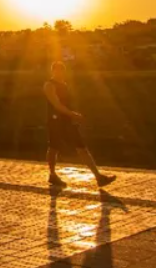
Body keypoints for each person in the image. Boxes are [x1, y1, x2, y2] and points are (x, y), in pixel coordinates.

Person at [45, 60, 115, 188]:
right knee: (54, 148)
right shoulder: (49, 85)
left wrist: (72, 116)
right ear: (53, 71)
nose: (60, 73)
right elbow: (56, 105)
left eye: (62, 71)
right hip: (55, 121)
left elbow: (67, 103)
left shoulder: (64, 85)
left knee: (81, 147)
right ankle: (52, 174)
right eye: (58, 70)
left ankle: (98, 177)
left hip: (66, 121)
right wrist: (72, 114)